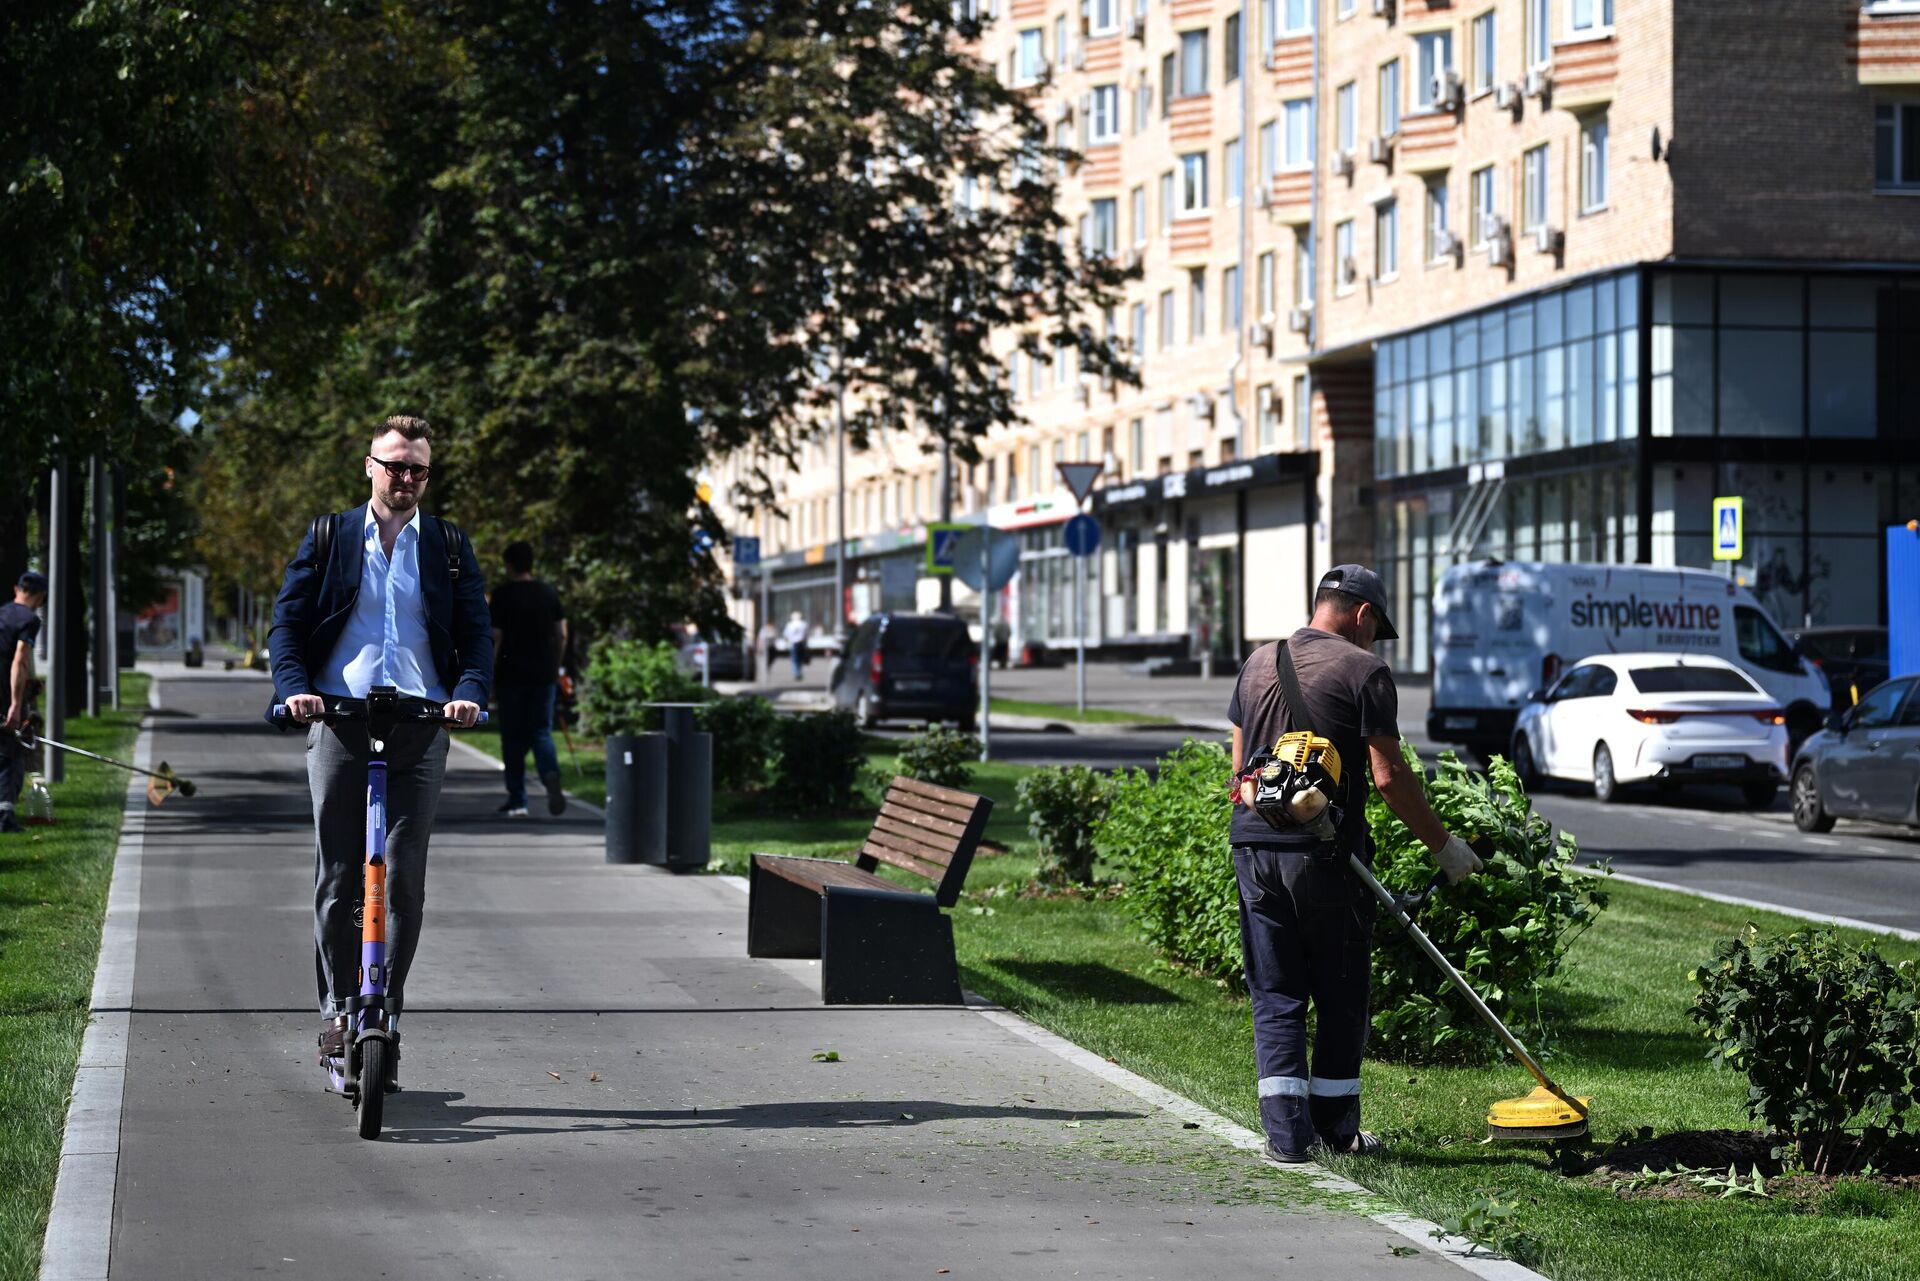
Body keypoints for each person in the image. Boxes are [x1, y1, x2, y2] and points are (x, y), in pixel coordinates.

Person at [1227, 564, 1483, 1163]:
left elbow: (1239, 778)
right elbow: (1389, 777)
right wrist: (1446, 850)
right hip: (1327, 858)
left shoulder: (1257, 661)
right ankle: (1338, 1132)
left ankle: (1288, 1139)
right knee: (1341, 991)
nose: (1375, 640)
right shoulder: (1366, 670)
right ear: (1363, 615)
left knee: (1276, 990)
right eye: (1376, 628)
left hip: (1255, 851)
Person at [269, 415, 491, 1079]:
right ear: (369, 465)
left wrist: (470, 689)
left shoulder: (449, 545)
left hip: (421, 727)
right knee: (340, 880)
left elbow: (477, 633)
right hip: (338, 720)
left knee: (404, 882)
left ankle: (384, 1014)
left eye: (417, 468)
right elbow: (288, 622)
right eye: (394, 465)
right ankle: (340, 1013)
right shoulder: (329, 536)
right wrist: (295, 688)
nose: (405, 478)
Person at [489, 541, 568, 818]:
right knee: (541, 732)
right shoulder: (548, 594)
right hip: (544, 674)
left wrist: (489, 674)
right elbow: (562, 635)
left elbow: (496, 637)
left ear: (509, 564)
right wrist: (555, 667)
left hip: (511, 675)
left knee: (512, 737)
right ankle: (550, 776)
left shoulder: (502, 595)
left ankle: (518, 799)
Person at [1, 571, 49, 834]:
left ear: (16, 589)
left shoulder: (3, 613)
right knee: (11, 753)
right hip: (4, 692)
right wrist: (15, 705)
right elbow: (19, 660)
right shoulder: (29, 619)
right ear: (40, 597)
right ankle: (5, 817)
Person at [783, 610, 810, 681]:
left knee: (794, 660)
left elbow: (786, 635)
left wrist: (786, 643)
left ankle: (796, 673)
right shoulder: (803, 624)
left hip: (793, 644)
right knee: (800, 659)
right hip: (801, 643)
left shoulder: (790, 625)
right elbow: (806, 635)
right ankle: (799, 672)